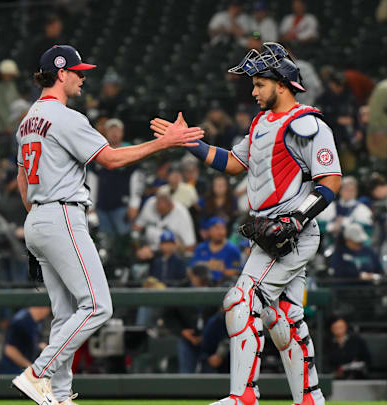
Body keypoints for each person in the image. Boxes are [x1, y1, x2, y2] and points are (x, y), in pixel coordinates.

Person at [11, 44, 203, 405]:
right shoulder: (65, 117)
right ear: (61, 74)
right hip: (62, 213)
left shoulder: (27, 121)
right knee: (98, 306)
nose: (84, 78)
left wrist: (40, 217)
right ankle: (38, 373)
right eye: (78, 72)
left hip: (37, 216)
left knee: (65, 315)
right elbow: (112, 159)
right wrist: (165, 143)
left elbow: (23, 180)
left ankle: (61, 396)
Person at [151, 42, 340, 405]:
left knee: (240, 300)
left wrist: (296, 220)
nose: (253, 91)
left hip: (290, 234)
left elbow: (330, 182)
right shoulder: (260, 123)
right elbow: (233, 163)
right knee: (283, 315)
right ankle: (310, 400)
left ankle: (244, 396)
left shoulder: (306, 124)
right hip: (269, 234)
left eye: (259, 84)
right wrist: (189, 141)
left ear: (281, 84)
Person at [92, 118, 144, 236]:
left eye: (117, 130)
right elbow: (92, 179)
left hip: (123, 206)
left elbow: (137, 179)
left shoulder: (130, 151)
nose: (114, 133)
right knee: (105, 240)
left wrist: (134, 205)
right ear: (106, 133)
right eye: (111, 130)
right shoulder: (98, 151)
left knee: (124, 239)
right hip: (102, 206)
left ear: (122, 132)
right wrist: (91, 204)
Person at [164, 265, 219, 373]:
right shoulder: (180, 290)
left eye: (205, 280)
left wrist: (208, 334)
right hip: (187, 337)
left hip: (209, 340)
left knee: (210, 374)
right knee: (186, 373)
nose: (204, 283)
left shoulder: (215, 288)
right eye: (200, 279)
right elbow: (168, 316)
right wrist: (182, 331)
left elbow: (220, 317)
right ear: (192, 276)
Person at [134, 187, 197, 255]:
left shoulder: (182, 213)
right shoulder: (150, 203)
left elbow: (190, 245)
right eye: (158, 208)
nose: (160, 211)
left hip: (171, 253)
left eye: (163, 210)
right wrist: (138, 249)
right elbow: (137, 227)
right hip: (148, 248)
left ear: (171, 206)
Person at [317, 176, 373, 241]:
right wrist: (331, 227)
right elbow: (317, 226)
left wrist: (347, 223)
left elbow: (368, 231)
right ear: (340, 190)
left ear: (356, 192)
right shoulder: (330, 206)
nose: (349, 192)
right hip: (330, 245)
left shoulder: (363, 209)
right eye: (346, 189)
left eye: (352, 190)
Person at [190, 217, 242, 286]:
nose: (220, 232)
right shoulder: (201, 248)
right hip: (202, 286)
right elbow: (192, 270)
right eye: (216, 229)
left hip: (223, 287)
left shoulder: (233, 249)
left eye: (222, 228)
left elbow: (234, 272)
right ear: (209, 231)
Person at [0, 307, 51, 374]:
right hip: (13, 373)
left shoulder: (37, 321)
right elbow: (9, 350)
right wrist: (31, 368)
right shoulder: (21, 320)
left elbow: (25, 342)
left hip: (25, 371)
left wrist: (40, 346)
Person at [0, 59, 21, 138]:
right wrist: (8, 126)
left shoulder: (11, 85)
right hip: (0, 129)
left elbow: (16, 101)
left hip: (13, 127)